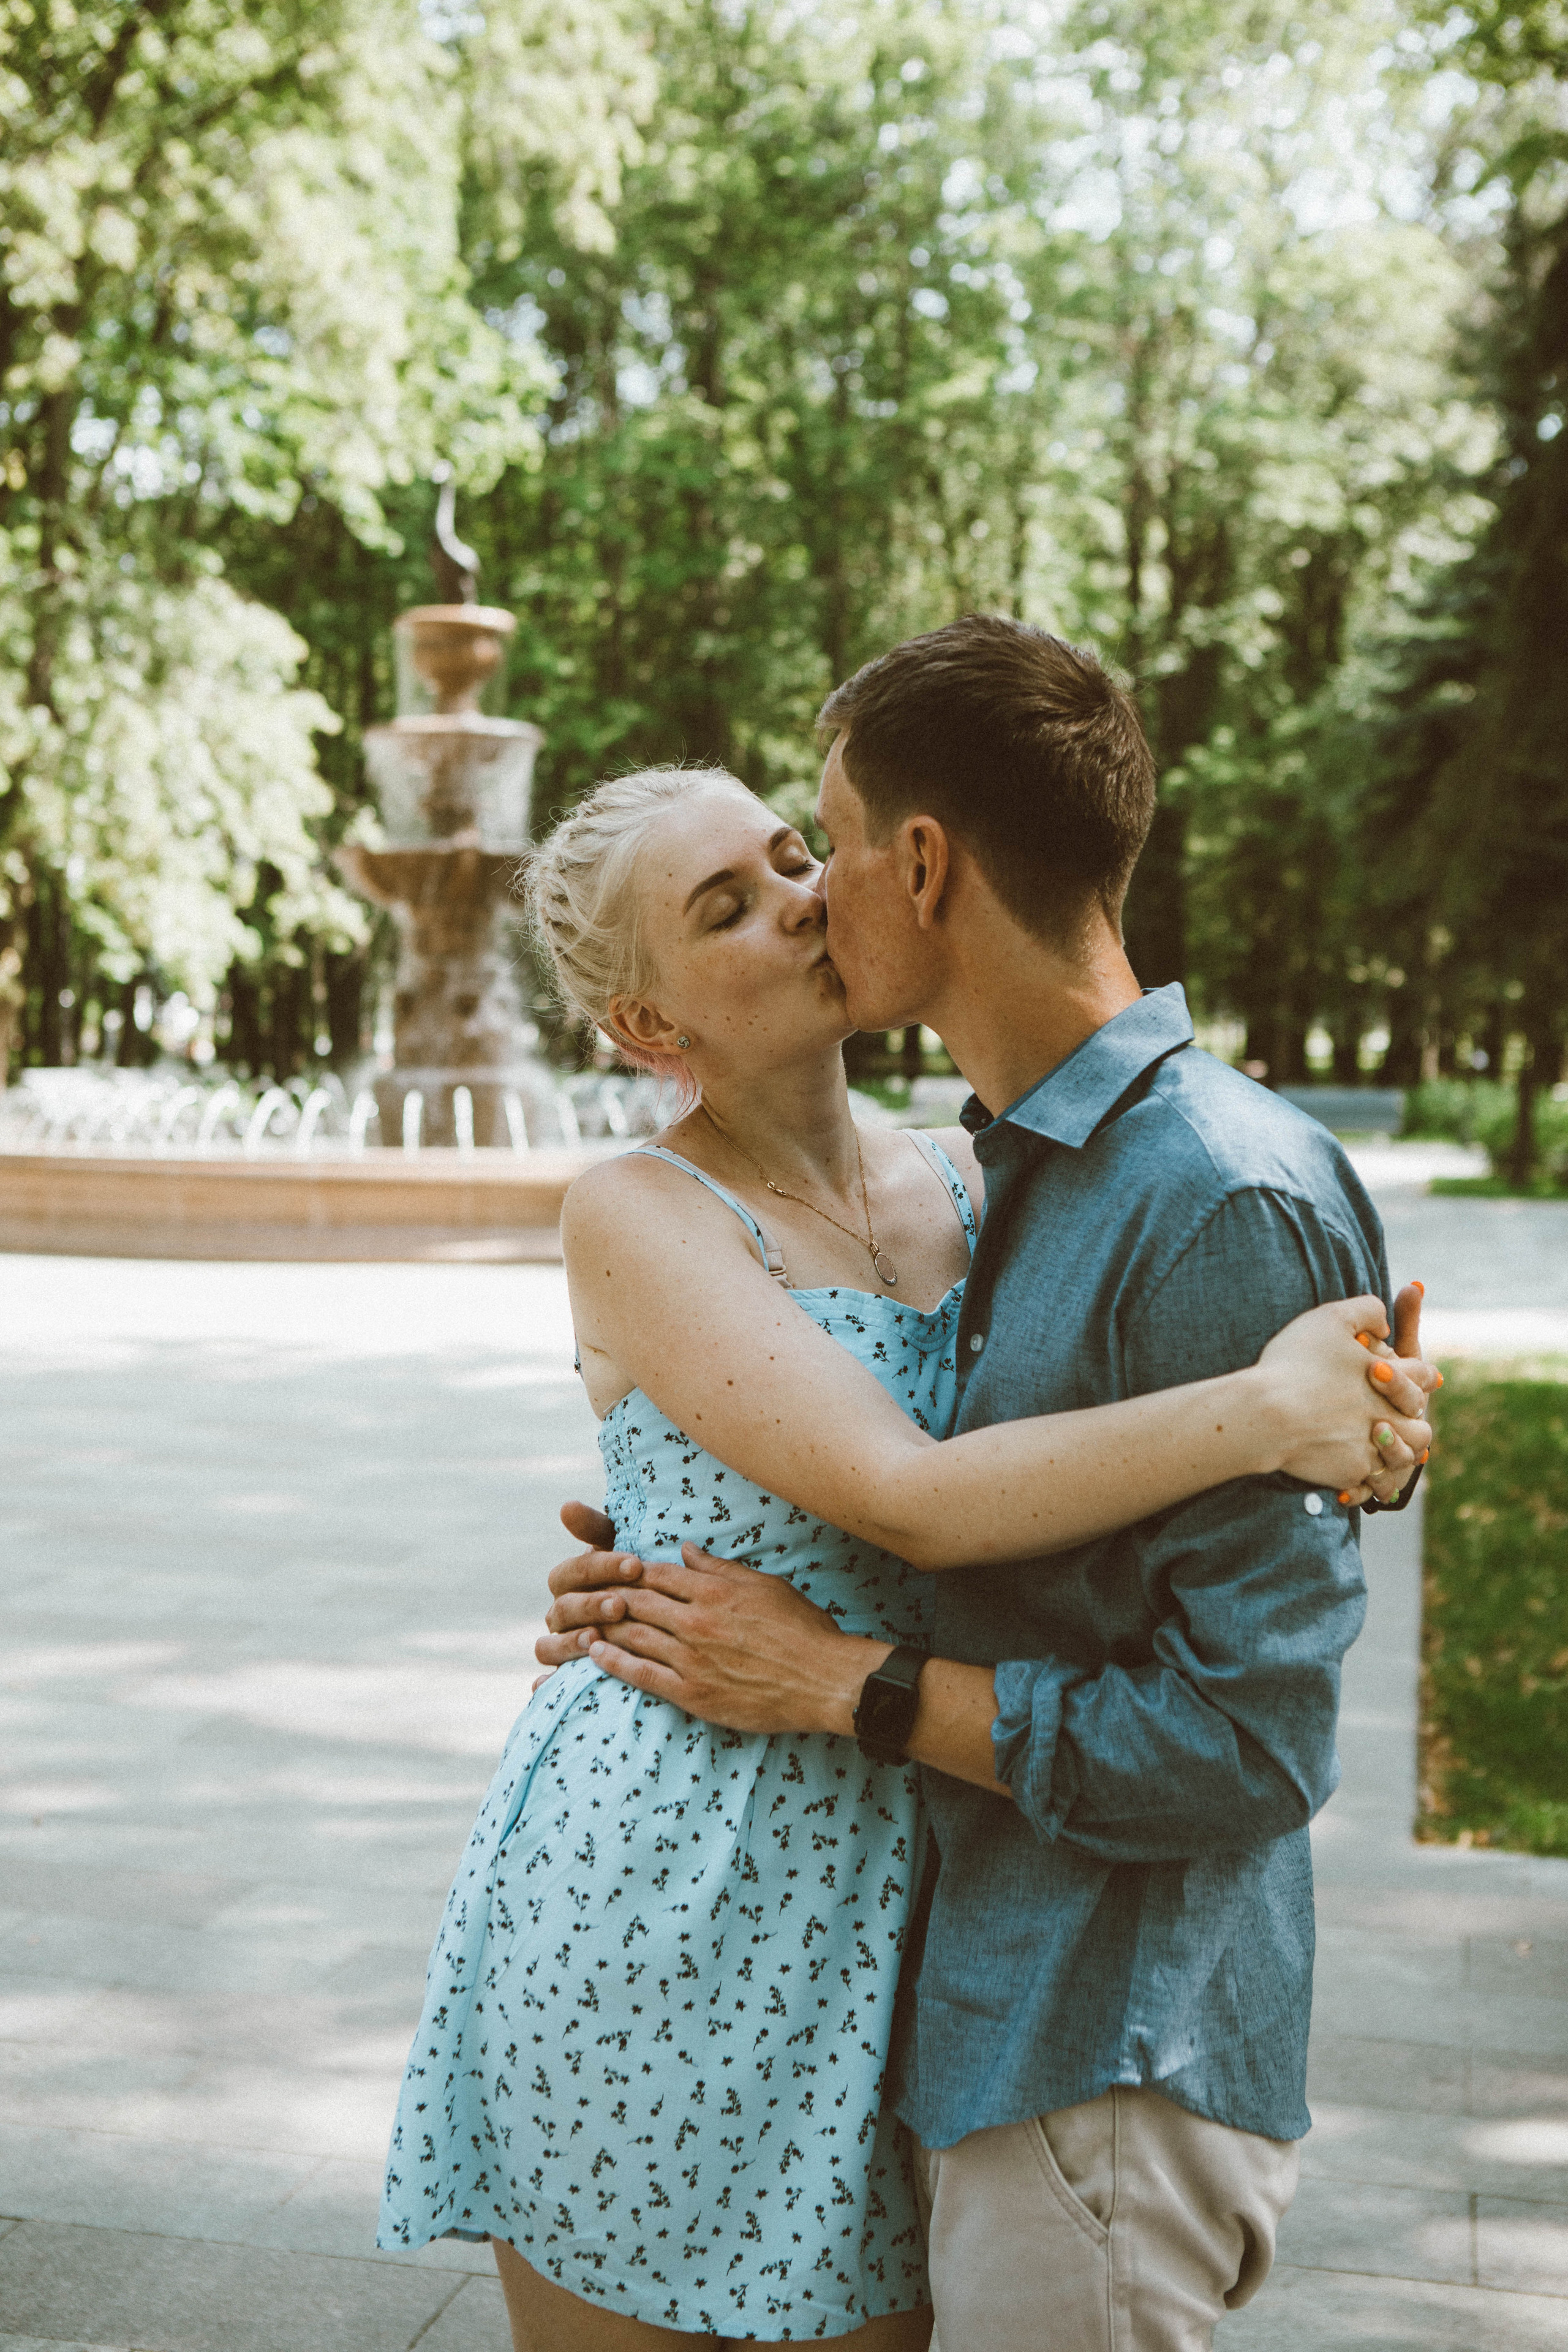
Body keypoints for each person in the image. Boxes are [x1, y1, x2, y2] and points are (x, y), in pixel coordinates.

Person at [378, 712, 1433, 2350]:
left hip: (921, 1894)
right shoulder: (638, 1212)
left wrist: (1364, 1434)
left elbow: (1126, 1390)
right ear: (649, 1023)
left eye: (793, 855)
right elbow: (910, 1498)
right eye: (727, 907)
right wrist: (1267, 1413)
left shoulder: (979, 1178)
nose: (802, 898)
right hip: (677, 1870)